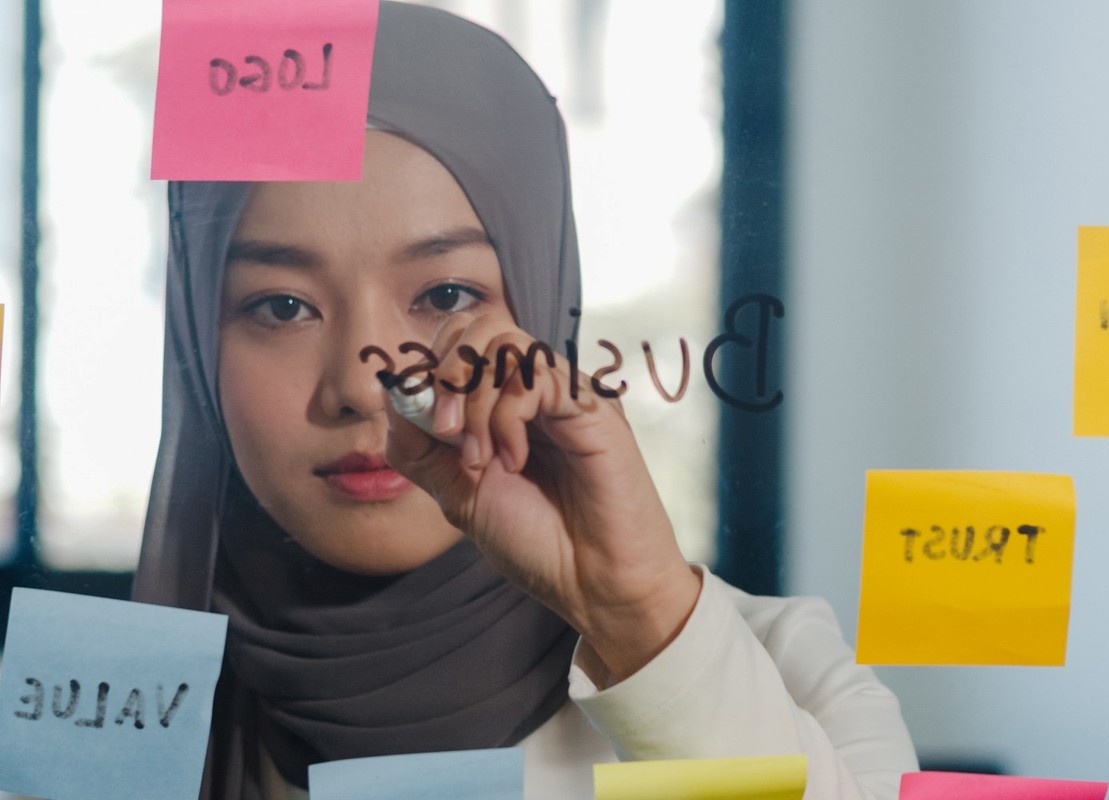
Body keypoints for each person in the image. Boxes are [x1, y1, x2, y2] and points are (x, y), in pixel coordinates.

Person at [131, 3, 917, 798]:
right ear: (198, 345)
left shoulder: (784, 678)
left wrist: (638, 617)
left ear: (541, 304)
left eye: (444, 294)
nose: (365, 387)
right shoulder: (100, 708)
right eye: (282, 307)